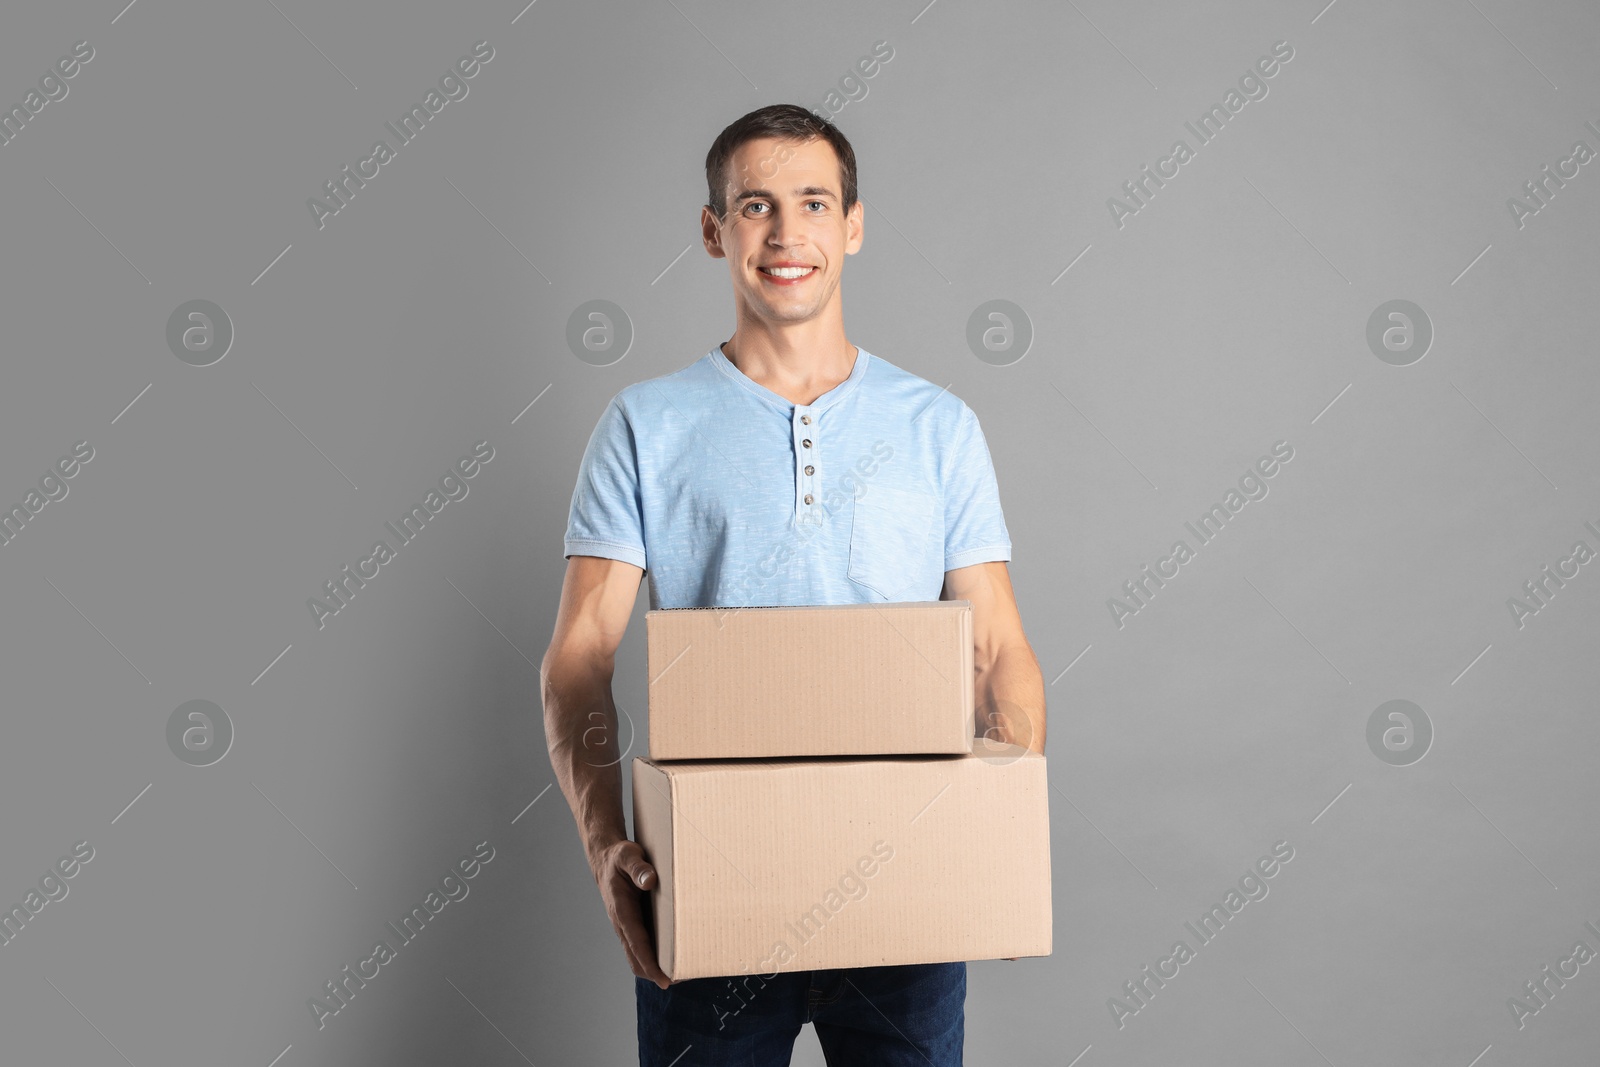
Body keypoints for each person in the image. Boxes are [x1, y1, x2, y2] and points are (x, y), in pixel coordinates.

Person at [541, 103, 1046, 1066]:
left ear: (852, 224)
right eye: (755, 205)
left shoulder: (939, 425)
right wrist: (608, 846)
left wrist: (999, 824)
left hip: (905, 887)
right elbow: (578, 658)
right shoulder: (647, 424)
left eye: (813, 202)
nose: (786, 233)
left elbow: (998, 649)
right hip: (716, 884)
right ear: (713, 229)